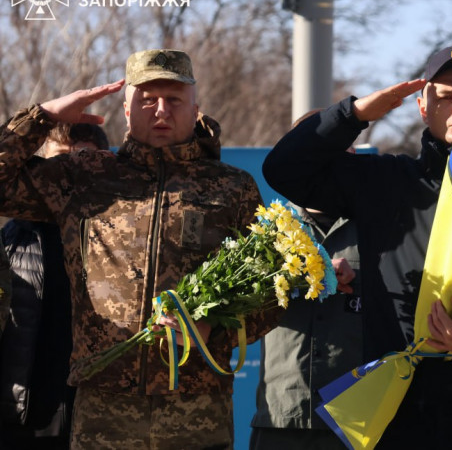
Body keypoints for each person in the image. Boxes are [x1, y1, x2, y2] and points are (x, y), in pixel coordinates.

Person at [263, 44, 452, 447]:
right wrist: (355, 114)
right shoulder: (384, 181)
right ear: (423, 107)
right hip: (395, 416)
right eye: (445, 97)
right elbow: (283, 169)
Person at [0, 49, 275, 449]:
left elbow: (270, 289)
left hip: (197, 410)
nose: (161, 110)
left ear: (194, 108)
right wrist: (43, 116)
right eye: (147, 99)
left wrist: (213, 330)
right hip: (103, 408)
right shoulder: (85, 177)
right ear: (127, 110)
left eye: (174, 99)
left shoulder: (233, 187)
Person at [0, 123, 109, 450]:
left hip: (96, 417)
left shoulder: (119, 237)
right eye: (60, 159)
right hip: (24, 415)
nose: (69, 171)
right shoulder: (12, 238)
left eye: (83, 158)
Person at [250, 202, 362, 450]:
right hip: (281, 416)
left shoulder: (376, 226)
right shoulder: (273, 225)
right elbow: (241, 294)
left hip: (355, 421)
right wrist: (309, 271)